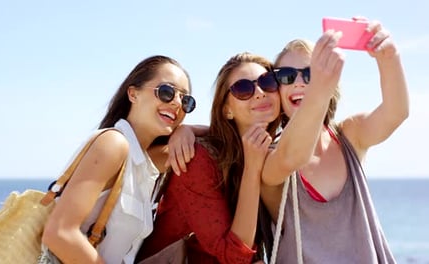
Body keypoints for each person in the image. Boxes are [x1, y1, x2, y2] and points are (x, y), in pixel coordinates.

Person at [260, 19, 408, 263]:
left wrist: (389, 57)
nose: (299, 82)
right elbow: (292, 156)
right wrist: (319, 87)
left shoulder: (350, 135)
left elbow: (396, 112)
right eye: (286, 76)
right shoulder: (270, 157)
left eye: (310, 73)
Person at [40, 55, 196, 264]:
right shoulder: (113, 144)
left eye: (186, 100)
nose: (177, 103)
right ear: (133, 94)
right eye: (167, 92)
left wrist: (188, 129)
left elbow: (223, 138)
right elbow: (59, 234)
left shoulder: (147, 162)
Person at [136, 52, 281, 264]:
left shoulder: (277, 154)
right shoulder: (198, 159)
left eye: (267, 82)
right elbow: (235, 256)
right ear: (226, 110)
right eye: (243, 89)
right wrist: (252, 168)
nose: (259, 93)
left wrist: (191, 128)